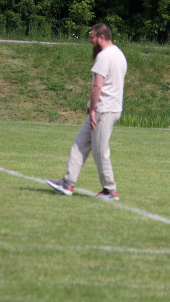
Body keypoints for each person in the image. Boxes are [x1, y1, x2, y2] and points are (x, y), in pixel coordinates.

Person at [47, 23, 128, 200]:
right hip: (108, 108)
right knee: (80, 144)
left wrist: (92, 109)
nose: (90, 41)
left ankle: (110, 191)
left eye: (92, 37)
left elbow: (98, 85)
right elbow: (121, 83)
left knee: (100, 151)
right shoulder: (120, 55)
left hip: (103, 110)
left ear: (101, 37)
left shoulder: (104, 56)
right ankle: (67, 183)